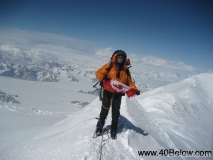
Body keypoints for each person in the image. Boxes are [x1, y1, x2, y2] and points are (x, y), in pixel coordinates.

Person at [95, 50, 140, 139]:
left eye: (122, 57)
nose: (120, 58)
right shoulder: (109, 66)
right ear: (115, 57)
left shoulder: (126, 70)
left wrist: (134, 89)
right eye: (119, 57)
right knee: (104, 111)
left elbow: (129, 82)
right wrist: (103, 77)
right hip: (108, 92)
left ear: (124, 59)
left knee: (116, 113)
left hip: (118, 95)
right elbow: (98, 73)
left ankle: (113, 129)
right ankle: (99, 128)